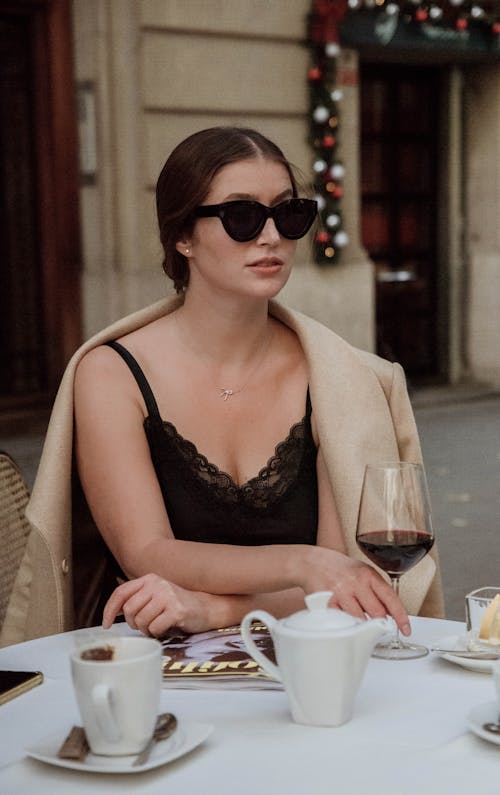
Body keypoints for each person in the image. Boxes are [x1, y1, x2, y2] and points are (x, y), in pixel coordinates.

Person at [7, 127, 441, 648]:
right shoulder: (111, 372)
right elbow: (146, 551)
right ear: (182, 236)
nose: (271, 236)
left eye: (288, 213)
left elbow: (343, 584)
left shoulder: (342, 377)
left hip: (315, 658)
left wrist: (215, 609)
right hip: (153, 665)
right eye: (242, 216)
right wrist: (303, 562)